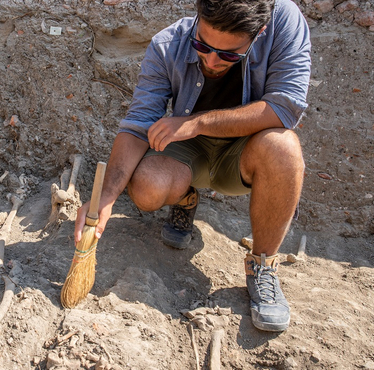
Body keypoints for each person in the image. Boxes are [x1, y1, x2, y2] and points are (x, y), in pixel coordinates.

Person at [74, 0, 311, 332]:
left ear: (258, 34)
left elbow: (285, 108)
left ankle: (263, 265)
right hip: (189, 148)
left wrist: (196, 123)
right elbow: (138, 125)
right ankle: (186, 197)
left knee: (284, 148)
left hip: (247, 149)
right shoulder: (167, 44)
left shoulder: (283, 20)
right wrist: (106, 197)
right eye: (202, 45)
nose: (211, 61)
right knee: (146, 188)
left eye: (228, 55)